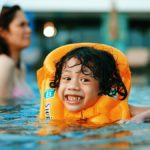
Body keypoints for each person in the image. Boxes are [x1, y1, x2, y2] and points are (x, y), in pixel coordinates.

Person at [37, 43, 150, 127]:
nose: (73, 86)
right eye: (67, 78)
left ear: (102, 87)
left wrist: (137, 119)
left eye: (85, 80)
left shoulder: (117, 110)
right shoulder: (48, 115)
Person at [0, 5, 34, 104]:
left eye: (28, 24)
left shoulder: (20, 67)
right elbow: (3, 114)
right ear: (3, 32)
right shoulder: (4, 63)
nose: (29, 30)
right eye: (21, 25)